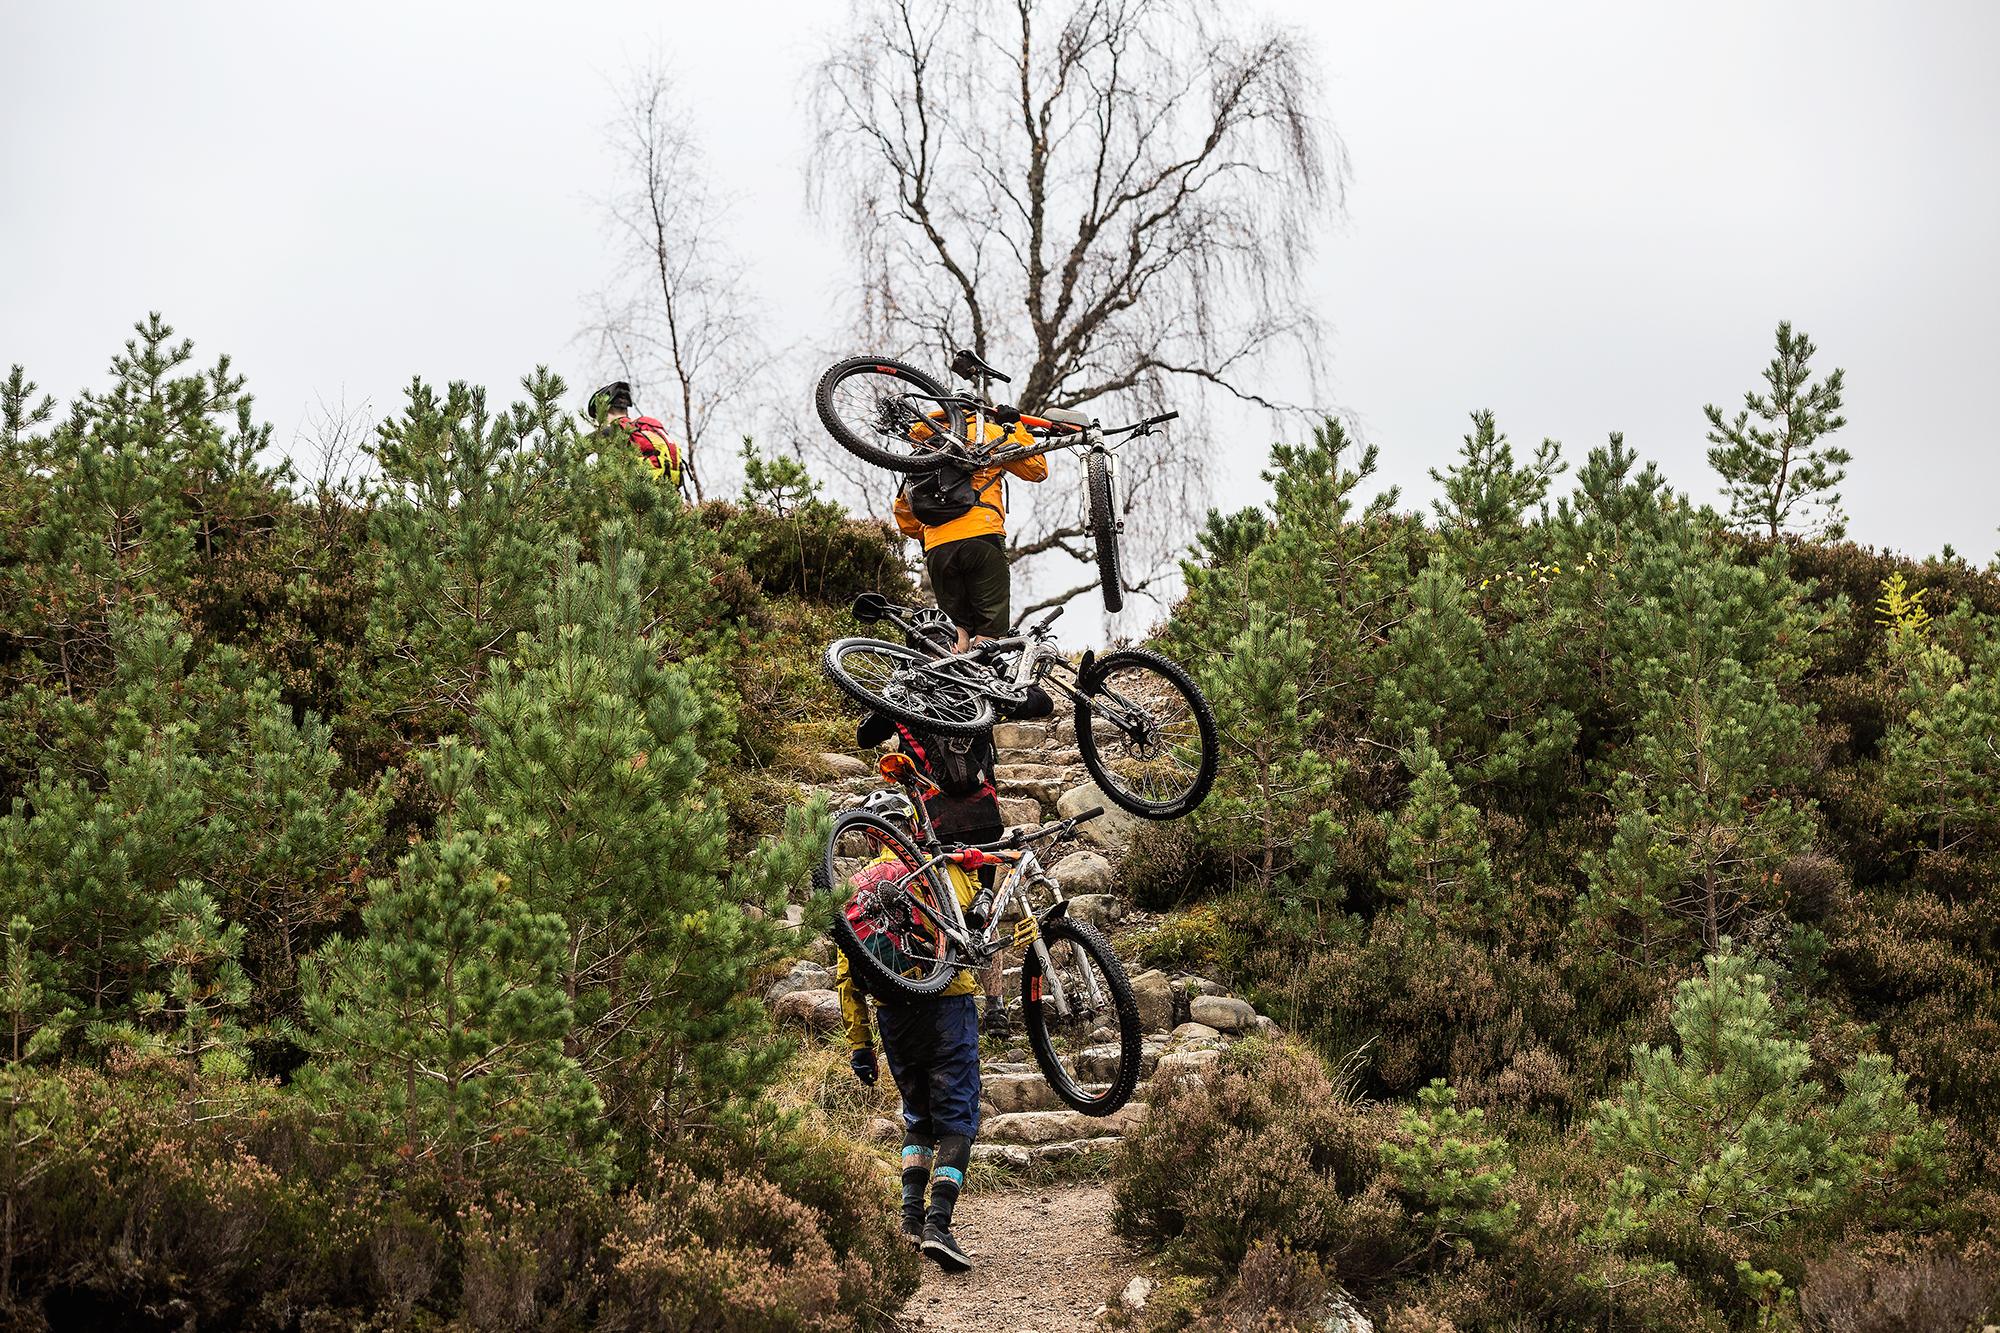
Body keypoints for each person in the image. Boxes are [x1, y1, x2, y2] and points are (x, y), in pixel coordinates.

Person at [834, 791, 984, 1273]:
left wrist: (860, 1046)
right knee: (957, 1117)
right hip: (946, 1004)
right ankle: (940, 1224)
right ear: (912, 823)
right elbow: (971, 914)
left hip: (893, 1016)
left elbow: (846, 970)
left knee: (917, 1119)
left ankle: (909, 1223)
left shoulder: (855, 888)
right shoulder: (937, 869)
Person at [856, 710, 1014, 1042]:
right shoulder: (974, 689)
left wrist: (886, 706)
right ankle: (996, 1005)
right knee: (981, 906)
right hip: (983, 810)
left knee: (936, 900)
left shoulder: (907, 701)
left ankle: (934, 974)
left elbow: (865, 737)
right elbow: (1037, 703)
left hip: (935, 818)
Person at [892, 420, 1046, 651]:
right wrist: (1016, 426)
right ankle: (982, 680)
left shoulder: (923, 448)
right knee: (990, 630)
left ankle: (950, 676)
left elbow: (904, 514)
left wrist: (932, 533)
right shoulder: (987, 432)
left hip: (938, 548)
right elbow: (1037, 469)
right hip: (981, 537)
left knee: (957, 628)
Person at [586, 381, 688, 495]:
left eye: (598, 418)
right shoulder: (640, 430)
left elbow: (577, 450)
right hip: (670, 491)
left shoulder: (610, 434)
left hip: (639, 497)